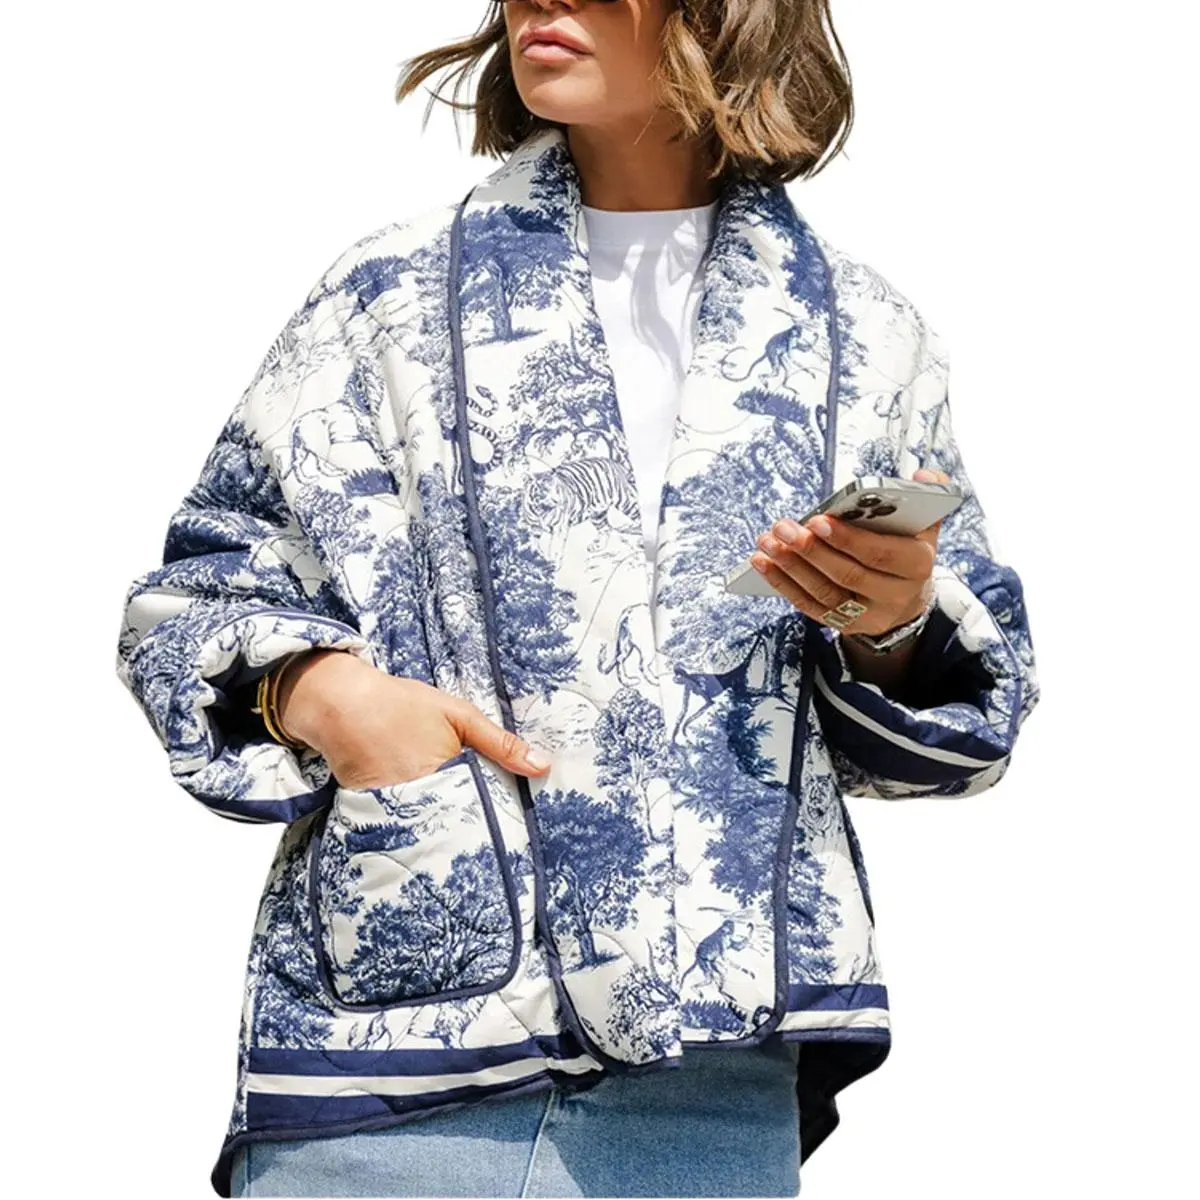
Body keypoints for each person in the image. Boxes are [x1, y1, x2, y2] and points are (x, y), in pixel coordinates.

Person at [114, 1, 1041, 1196]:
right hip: (405, 1052)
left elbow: (964, 718)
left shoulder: (865, 333)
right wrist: (332, 697)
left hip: (711, 1079)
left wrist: (890, 622)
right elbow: (200, 591)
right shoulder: (386, 294)